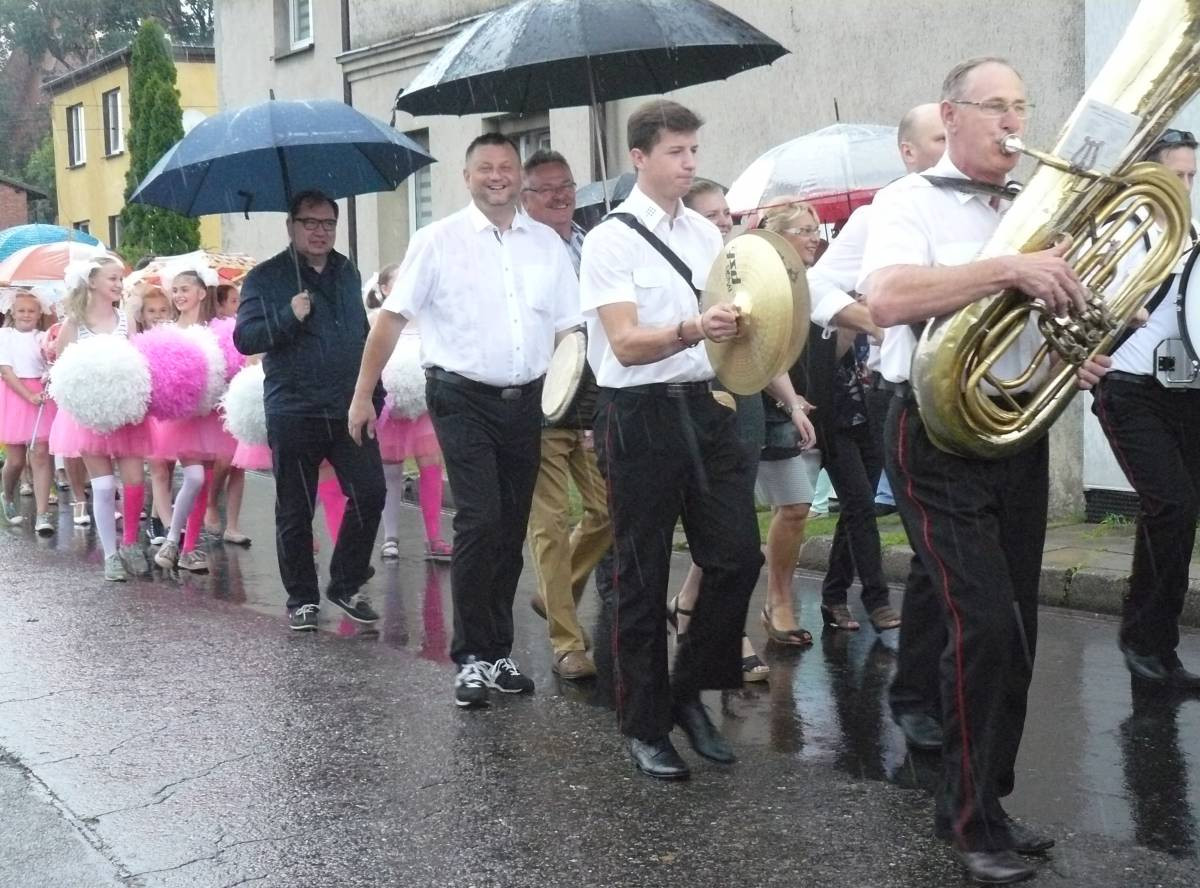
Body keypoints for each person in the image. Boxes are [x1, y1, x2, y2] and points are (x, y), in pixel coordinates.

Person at [860, 57, 1111, 883]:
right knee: (982, 622)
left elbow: (1024, 319)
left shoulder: (1033, 207)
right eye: (996, 107)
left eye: (1022, 107)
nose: (1014, 124)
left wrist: (1068, 347)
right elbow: (891, 298)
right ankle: (969, 823)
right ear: (951, 115)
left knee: (1020, 628)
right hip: (929, 434)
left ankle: (985, 802)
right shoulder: (906, 203)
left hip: (1012, 426)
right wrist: (1010, 265)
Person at [347, 134, 580, 707]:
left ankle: (498, 651)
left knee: (510, 523)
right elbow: (390, 320)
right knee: (480, 518)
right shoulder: (437, 240)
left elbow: (571, 332)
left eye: (506, 167)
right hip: (459, 397)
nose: (497, 176)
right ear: (466, 175)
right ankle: (470, 658)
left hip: (527, 401)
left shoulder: (546, 247)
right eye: (485, 168)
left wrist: (579, 398)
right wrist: (361, 396)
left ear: (519, 177)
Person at [580, 99, 765, 781]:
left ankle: (688, 692)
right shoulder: (609, 239)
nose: (691, 163)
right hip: (637, 414)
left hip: (706, 406)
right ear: (640, 157)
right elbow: (625, 344)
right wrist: (694, 329)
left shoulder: (705, 235)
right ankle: (644, 722)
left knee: (735, 556)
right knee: (640, 573)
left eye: (694, 150)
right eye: (676, 152)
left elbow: (736, 324)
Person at [807, 102, 945, 638]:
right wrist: (874, 320)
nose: (948, 147)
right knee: (898, 518)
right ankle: (884, 616)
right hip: (886, 395)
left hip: (966, 391)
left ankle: (918, 652)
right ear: (908, 152)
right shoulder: (878, 216)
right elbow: (816, 288)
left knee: (887, 518)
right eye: (936, 139)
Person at [235, 189, 386, 632]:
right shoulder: (266, 278)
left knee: (370, 492)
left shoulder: (345, 270)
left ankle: (346, 580)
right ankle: (302, 597)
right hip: (294, 408)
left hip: (346, 407)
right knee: (296, 508)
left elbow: (359, 334)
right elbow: (246, 339)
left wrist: (371, 396)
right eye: (310, 223)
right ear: (291, 226)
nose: (320, 232)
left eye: (327, 223)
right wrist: (288, 315)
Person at [1092, 128, 1200, 689]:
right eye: (1174, 175)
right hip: (1129, 387)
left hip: (1189, 391)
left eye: (1191, 175)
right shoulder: (1118, 235)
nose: (1184, 186)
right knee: (1173, 506)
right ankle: (1142, 640)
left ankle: (1157, 645)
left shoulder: (1194, 236)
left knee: (1177, 514)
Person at [669, 179, 772, 681]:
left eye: (727, 214)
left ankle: (689, 606)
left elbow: (764, 345)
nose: (724, 222)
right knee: (724, 536)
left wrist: (792, 400)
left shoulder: (743, 275)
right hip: (691, 404)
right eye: (712, 215)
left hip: (741, 402)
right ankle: (727, 639)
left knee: (733, 532)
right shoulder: (682, 272)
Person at [520, 148, 611, 681]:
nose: (559, 196)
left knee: (609, 511)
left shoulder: (588, 242)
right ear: (526, 198)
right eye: (546, 189)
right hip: (540, 403)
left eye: (567, 185)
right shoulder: (521, 252)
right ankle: (566, 643)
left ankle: (555, 593)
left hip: (590, 401)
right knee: (550, 523)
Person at [47, 256, 155, 581]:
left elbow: (137, 362)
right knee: (105, 486)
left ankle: (131, 543)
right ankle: (110, 554)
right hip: (89, 417)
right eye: (112, 278)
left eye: (120, 279)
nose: (118, 284)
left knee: (135, 481)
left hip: (126, 415)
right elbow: (61, 371)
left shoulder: (126, 320)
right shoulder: (74, 324)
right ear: (92, 282)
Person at [151, 261, 234, 574]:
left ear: (202, 292)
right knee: (196, 477)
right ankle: (174, 539)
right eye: (175, 290)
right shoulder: (169, 331)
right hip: (180, 419)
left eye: (184, 289)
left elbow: (230, 368)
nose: (178, 295)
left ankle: (188, 548)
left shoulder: (218, 330)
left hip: (209, 417)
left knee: (204, 481)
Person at [368, 263, 452, 563]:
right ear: (385, 288)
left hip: (423, 406)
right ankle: (390, 537)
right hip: (391, 408)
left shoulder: (427, 317)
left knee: (430, 468)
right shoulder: (377, 319)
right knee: (390, 472)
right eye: (398, 280)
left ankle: (435, 537)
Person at [0, 290, 57, 534]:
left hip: (41, 396)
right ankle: (7, 495)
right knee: (15, 460)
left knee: (41, 454)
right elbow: (6, 370)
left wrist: (48, 377)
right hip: (16, 395)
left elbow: (51, 364)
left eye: (31, 311)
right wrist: (29, 395)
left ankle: (42, 514)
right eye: (21, 310)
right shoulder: (5, 335)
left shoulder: (44, 337)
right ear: (13, 312)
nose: (26, 315)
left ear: (38, 314)